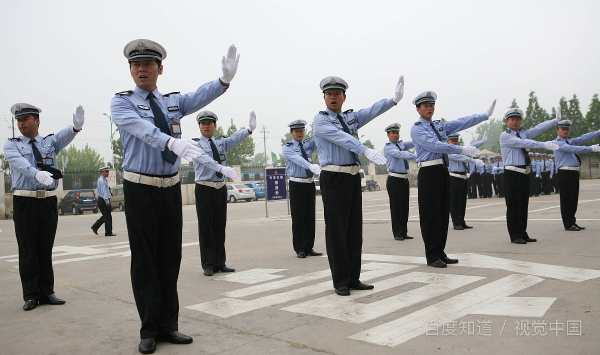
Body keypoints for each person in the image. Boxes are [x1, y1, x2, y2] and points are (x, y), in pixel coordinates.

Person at [111, 39, 239, 354]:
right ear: (130, 70)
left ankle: (169, 325)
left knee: (170, 258)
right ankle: (149, 328)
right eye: (136, 65)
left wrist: (223, 81)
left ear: (160, 69)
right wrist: (171, 143)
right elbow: (141, 128)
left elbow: (197, 96)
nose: (142, 69)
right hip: (140, 188)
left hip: (169, 188)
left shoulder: (172, 101)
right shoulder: (121, 103)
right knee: (145, 261)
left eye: (148, 64)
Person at [313, 75, 404, 296]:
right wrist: (364, 149)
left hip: (352, 177)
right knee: (337, 230)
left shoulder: (350, 118)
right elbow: (339, 138)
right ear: (324, 97)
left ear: (344, 96)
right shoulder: (320, 120)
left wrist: (392, 100)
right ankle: (341, 281)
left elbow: (371, 111)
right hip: (333, 177)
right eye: (329, 94)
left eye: (337, 94)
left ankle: (354, 277)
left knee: (354, 230)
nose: (333, 97)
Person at [4, 103, 84, 311]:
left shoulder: (48, 143)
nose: (21, 123)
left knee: (45, 248)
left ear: (37, 121)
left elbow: (62, 137)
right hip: (25, 201)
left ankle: (47, 292)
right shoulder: (11, 145)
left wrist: (75, 127)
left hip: (47, 201)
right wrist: (34, 173)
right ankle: (31, 295)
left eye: (25, 119)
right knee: (28, 249)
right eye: (18, 120)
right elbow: (18, 163)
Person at [410, 91, 494, 268]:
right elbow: (434, 145)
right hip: (429, 172)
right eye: (425, 106)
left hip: (442, 170)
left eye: (431, 105)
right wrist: (461, 149)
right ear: (418, 109)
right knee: (430, 215)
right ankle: (432, 255)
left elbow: (461, 122)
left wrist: (483, 116)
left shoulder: (440, 126)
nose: (429, 108)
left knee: (442, 214)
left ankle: (440, 251)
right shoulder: (417, 129)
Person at [192, 110, 255, 275]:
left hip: (220, 188)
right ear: (199, 126)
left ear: (214, 126)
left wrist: (248, 130)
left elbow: (234, 139)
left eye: (209, 123)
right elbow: (205, 160)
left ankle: (220, 262)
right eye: (203, 123)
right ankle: (208, 264)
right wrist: (221, 168)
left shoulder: (220, 143)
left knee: (219, 227)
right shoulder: (195, 144)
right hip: (204, 188)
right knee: (206, 228)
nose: (207, 126)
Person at [499, 108, 559, 244]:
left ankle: (522, 232)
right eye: (513, 120)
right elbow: (524, 143)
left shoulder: (523, 133)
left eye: (518, 120)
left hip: (524, 173)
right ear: (507, 121)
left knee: (523, 205)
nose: (515, 122)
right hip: (512, 173)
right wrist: (543, 144)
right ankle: (515, 235)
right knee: (514, 206)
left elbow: (538, 128)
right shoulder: (506, 136)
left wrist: (554, 121)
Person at [282, 119, 323, 258]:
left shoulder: (308, 145)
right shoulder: (287, 148)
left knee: (310, 217)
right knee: (299, 218)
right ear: (291, 133)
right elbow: (298, 159)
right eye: (297, 131)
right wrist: (310, 166)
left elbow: (320, 138)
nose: (300, 133)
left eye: (302, 131)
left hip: (309, 183)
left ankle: (309, 247)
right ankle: (300, 248)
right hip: (297, 184)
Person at [553, 119, 600, 231]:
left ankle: (572, 221)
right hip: (565, 172)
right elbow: (572, 149)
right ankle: (568, 224)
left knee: (573, 199)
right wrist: (591, 148)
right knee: (567, 199)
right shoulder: (557, 143)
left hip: (573, 172)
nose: (565, 131)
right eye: (563, 129)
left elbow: (584, 137)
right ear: (557, 131)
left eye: (567, 129)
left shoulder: (570, 141)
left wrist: (598, 131)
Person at [383, 123, 416, 241]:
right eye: (393, 133)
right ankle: (397, 233)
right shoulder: (389, 147)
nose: (396, 135)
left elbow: (413, 142)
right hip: (395, 179)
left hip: (404, 179)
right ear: (388, 135)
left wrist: (420, 138)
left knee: (404, 207)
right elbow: (401, 154)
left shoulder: (401, 144)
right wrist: (418, 157)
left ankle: (403, 231)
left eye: (397, 133)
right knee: (396, 208)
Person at [447, 133, 485, 230]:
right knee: (455, 201)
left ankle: (461, 221)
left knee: (462, 201)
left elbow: (472, 146)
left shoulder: (461, 150)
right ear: (448, 142)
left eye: (456, 141)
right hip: (454, 177)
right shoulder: (448, 151)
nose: (455, 143)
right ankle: (456, 222)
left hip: (463, 177)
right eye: (453, 141)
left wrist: (482, 142)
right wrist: (473, 161)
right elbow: (459, 157)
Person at [91, 166, 116, 237]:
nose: (108, 173)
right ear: (102, 172)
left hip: (103, 199)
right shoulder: (102, 180)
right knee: (107, 216)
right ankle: (107, 232)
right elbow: (103, 192)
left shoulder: (103, 179)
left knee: (107, 216)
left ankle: (97, 227)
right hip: (103, 200)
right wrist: (107, 201)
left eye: (108, 172)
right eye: (106, 172)